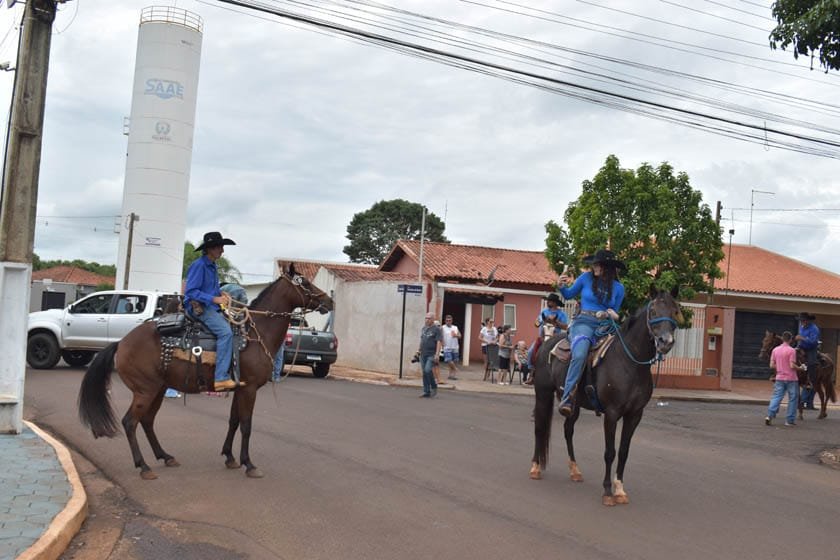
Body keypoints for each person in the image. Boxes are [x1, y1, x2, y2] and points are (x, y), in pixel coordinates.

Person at [556, 249, 626, 417]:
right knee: (580, 354)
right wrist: (561, 285)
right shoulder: (585, 278)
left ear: (607, 267)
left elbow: (615, 312)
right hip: (584, 323)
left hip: (606, 326)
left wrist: (613, 315)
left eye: (597, 264)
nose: (594, 266)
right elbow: (568, 295)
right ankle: (567, 397)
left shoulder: (619, 288)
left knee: (624, 351)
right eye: (594, 264)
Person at [184, 231, 243, 392]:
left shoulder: (212, 266)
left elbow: (211, 289)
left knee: (236, 326)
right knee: (225, 333)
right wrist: (215, 299)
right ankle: (221, 378)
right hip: (198, 306)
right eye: (219, 247)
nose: (222, 250)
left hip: (210, 305)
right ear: (210, 249)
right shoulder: (199, 265)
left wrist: (221, 294)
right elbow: (191, 291)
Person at [765, 331, 803, 426]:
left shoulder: (775, 350)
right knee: (793, 398)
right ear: (790, 340)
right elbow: (792, 365)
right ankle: (789, 420)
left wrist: (780, 367)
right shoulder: (792, 350)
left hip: (779, 377)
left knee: (777, 396)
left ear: (782, 339)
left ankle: (769, 415)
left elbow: (771, 365)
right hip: (791, 378)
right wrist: (800, 368)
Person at [528, 292, 569, 377]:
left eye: (549, 301)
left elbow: (566, 327)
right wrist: (542, 320)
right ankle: (531, 372)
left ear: (555, 303)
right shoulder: (544, 311)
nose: (547, 302)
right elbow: (536, 324)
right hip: (542, 338)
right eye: (547, 301)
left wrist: (556, 322)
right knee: (530, 351)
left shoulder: (562, 314)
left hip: (555, 339)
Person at [795, 312, 820, 410]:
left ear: (808, 321)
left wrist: (802, 338)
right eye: (801, 320)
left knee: (811, 363)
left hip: (811, 349)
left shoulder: (814, 329)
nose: (802, 322)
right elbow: (800, 338)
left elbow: (813, 341)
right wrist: (798, 340)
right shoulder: (802, 327)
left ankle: (810, 380)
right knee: (791, 355)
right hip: (801, 347)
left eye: (803, 320)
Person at [417, 312, 443, 398]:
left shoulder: (436, 329)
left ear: (433, 319)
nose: (427, 320)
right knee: (424, 373)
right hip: (423, 354)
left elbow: (439, 342)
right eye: (426, 318)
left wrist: (437, 354)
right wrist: (418, 351)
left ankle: (434, 386)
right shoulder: (424, 328)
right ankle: (426, 391)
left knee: (428, 370)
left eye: (429, 318)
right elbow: (422, 340)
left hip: (431, 354)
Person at [441, 314, 461, 380]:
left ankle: (452, 375)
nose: (448, 322)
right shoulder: (443, 327)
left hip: (455, 346)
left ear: (452, 321)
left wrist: (456, 335)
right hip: (447, 346)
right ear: (445, 321)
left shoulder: (455, 327)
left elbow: (460, 336)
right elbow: (441, 336)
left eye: (449, 320)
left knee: (454, 361)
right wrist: (442, 343)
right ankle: (455, 369)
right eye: (447, 320)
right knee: (448, 360)